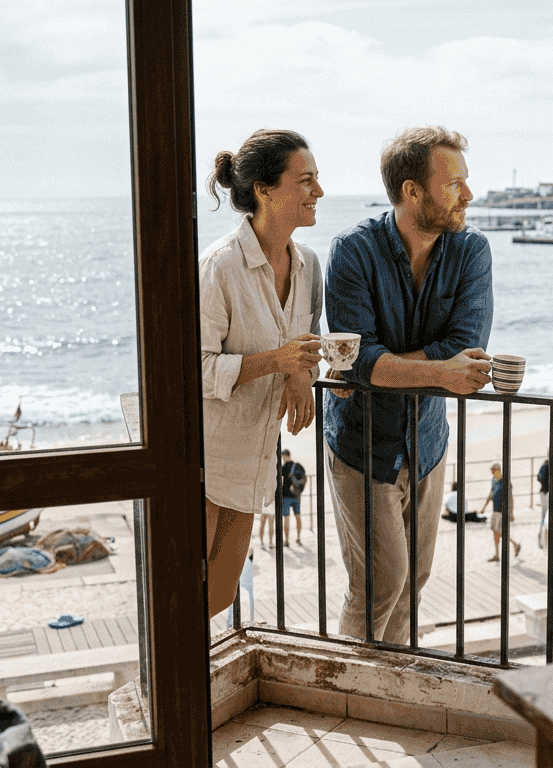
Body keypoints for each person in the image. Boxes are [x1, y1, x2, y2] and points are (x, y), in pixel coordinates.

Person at [323, 126, 494, 644]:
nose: (469, 193)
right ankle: (350, 687)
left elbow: (467, 342)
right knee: (379, 582)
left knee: (413, 582)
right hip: (363, 443)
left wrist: (387, 368)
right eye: (454, 183)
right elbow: (358, 361)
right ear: (412, 191)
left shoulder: (471, 251)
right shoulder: (353, 251)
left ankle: (391, 679)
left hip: (428, 442)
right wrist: (441, 373)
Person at [199, 129, 324, 618]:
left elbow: (307, 342)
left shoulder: (309, 265)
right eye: (306, 180)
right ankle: (179, 692)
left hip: (255, 455)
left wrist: (299, 375)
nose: (318, 191)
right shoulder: (220, 268)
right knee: (185, 595)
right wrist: (278, 361)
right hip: (205, 459)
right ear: (264, 190)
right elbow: (197, 369)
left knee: (220, 594)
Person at [478, 463, 521, 561]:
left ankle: (514, 545)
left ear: (498, 470)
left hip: (503, 511)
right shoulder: (493, 480)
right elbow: (491, 493)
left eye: (493, 470)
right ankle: (499, 554)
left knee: (499, 531)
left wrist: (511, 513)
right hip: (495, 510)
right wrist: (484, 507)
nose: (492, 472)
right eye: (491, 471)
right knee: (496, 532)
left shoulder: (506, 482)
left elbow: (511, 498)